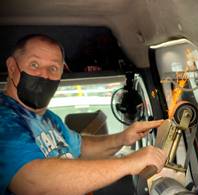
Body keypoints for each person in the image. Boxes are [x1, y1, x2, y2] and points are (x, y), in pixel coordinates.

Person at [0, 34, 167, 194]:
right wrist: (128, 164)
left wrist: (123, 138)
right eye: (34, 65)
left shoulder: (49, 118)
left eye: (53, 68)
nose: (44, 74)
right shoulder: (4, 119)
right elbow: (33, 182)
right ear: (12, 67)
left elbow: (81, 148)